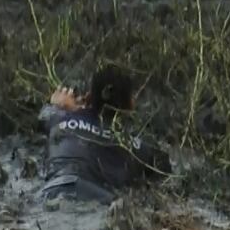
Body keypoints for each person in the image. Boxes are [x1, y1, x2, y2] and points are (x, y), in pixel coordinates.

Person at [39, 64, 170, 203]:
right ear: (131, 106)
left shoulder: (58, 119)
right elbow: (164, 170)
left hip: (52, 190)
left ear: (88, 97)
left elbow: (44, 115)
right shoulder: (137, 149)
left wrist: (60, 106)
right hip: (98, 197)